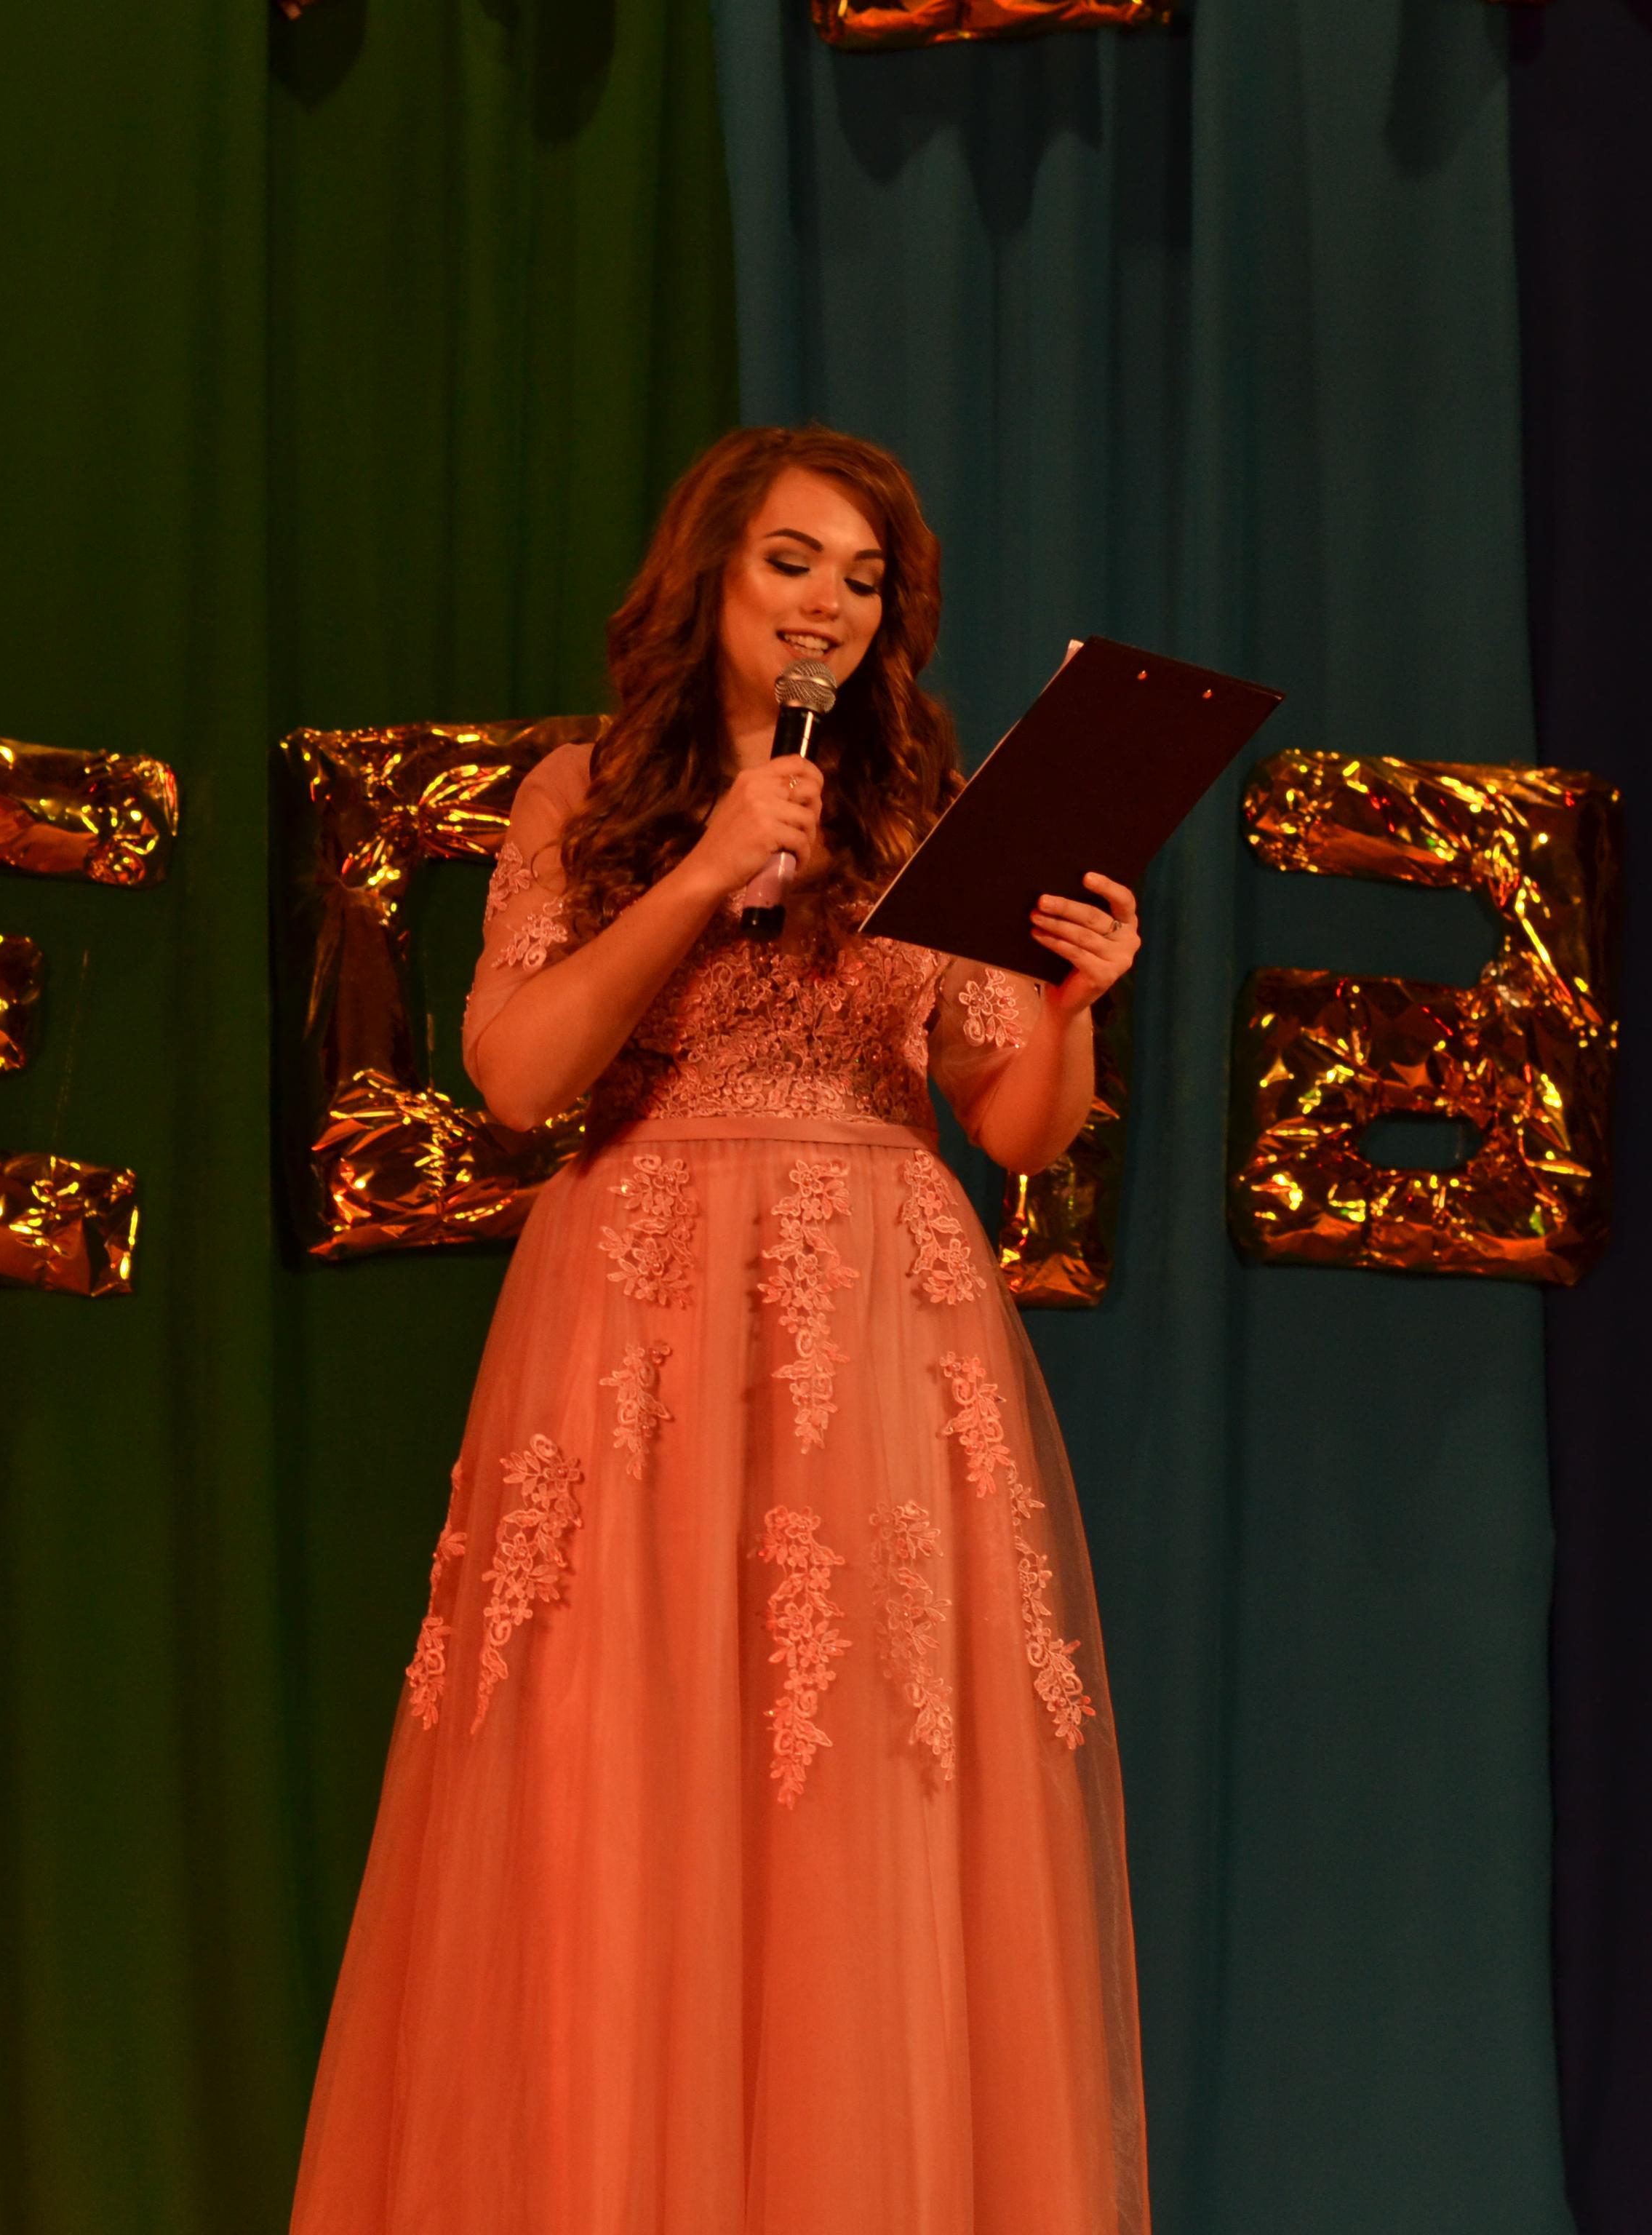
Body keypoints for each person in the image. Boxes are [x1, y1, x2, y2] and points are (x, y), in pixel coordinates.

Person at [292, 427, 1150, 2234]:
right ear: (713, 576)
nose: (829, 604)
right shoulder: (589, 793)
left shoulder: (924, 813)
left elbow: (1015, 1125)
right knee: (621, 1768)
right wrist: (704, 866)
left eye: (865, 580)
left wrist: (1073, 1002)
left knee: (860, 1786)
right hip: (643, 1310)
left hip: (880, 1322)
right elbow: (518, 1075)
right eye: (793, 562)